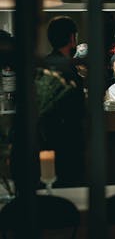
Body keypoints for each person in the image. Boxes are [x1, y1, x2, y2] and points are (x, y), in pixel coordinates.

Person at [41, 15, 86, 186]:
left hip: (45, 143)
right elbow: (78, 109)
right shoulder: (68, 69)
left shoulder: (43, 64)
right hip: (68, 143)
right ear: (72, 38)